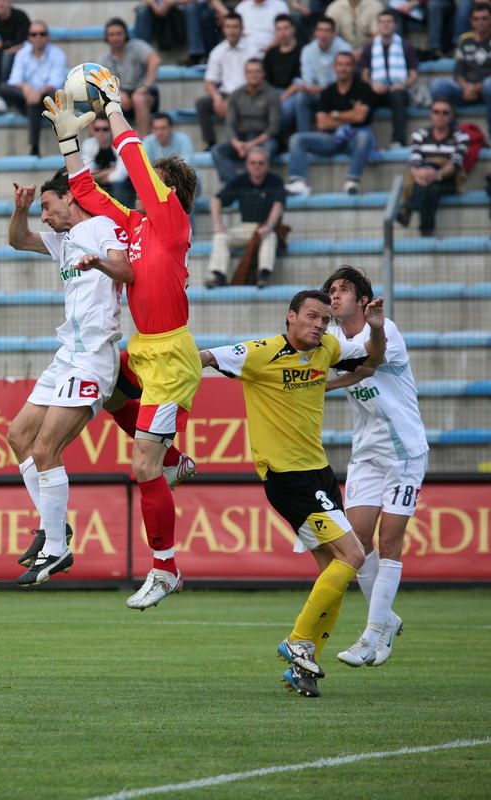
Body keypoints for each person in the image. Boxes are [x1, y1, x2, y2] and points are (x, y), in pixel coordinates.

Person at [43, 70, 202, 611]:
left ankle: (165, 568)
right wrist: (69, 141)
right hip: (141, 349)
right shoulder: (135, 225)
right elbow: (84, 190)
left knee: (141, 469)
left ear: (172, 192)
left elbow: (134, 160)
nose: (142, 184)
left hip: (172, 355)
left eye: (156, 181)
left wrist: (114, 106)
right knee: (109, 388)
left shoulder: (172, 222)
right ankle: (177, 460)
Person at [199, 288, 386, 697]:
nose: (320, 325)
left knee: (332, 572)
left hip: (318, 472)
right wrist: (164, 368)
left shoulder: (328, 348)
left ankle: (303, 666)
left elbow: (374, 361)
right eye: (312, 317)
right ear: (290, 317)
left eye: (325, 319)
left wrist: (375, 330)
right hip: (286, 477)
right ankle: (299, 641)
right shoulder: (260, 352)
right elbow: (206, 357)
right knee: (353, 555)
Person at [7, 168, 133, 586]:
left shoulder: (101, 226)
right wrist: (20, 210)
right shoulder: (62, 240)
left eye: (46, 206)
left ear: (69, 198)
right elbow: (17, 240)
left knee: (45, 450)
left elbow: (126, 270)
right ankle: (52, 527)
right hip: (67, 354)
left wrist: (100, 261)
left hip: (94, 355)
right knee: (18, 436)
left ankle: (57, 550)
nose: (43, 216)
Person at [322, 265, 428, 668]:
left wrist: (378, 328)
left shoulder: (385, 331)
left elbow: (370, 362)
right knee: (354, 544)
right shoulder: (332, 337)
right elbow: (345, 373)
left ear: (364, 301)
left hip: (404, 452)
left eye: (345, 290)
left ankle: (372, 634)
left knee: (389, 542)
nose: (335, 296)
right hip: (366, 453)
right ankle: (386, 619)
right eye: (332, 290)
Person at [285, 51, 376, 196]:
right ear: (334, 67)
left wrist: (335, 115)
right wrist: (350, 115)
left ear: (353, 67)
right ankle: (299, 182)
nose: (343, 68)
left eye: (347, 65)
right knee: (297, 139)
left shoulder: (363, 88)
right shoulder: (328, 91)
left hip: (354, 139)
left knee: (365, 137)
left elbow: (360, 117)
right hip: (330, 139)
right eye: (340, 64)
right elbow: (322, 123)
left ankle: (352, 181)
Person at [205, 147, 285, 288]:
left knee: (270, 236)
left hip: (266, 226)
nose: (257, 166)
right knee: (220, 237)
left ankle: (263, 276)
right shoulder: (240, 180)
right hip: (245, 227)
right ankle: (219, 276)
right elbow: (216, 200)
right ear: (247, 165)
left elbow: (278, 205)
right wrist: (218, 224)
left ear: (267, 165)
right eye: (253, 162)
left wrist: (269, 225)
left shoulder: (276, 181)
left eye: (261, 163)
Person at [395, 98, 470, 236]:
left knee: (431, 176)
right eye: (436, 112)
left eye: (445, 112)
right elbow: (414, 161)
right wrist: (420, 175)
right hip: (424, 179)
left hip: (448, 179)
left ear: (451, 115)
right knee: (431, 188)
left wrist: (436, 174)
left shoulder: (461, 136)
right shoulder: (420, 135)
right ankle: (426, 229)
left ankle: (408, 207)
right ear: (431, 114)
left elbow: (456, 162)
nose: (440, 116)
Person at [0, 21, 67, 156]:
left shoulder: (58, 54)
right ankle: (34, 147)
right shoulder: (22, 53)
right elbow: (14, 79)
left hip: (47, 97)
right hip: (27, 95)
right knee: (4, 87)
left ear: (48, 36)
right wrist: (26, 88)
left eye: (42, 34)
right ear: (29, 37)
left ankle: (34, 146)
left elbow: (56, 83)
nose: (38, 37)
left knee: (45, 98)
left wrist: (38, 92)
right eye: (34, 34)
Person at [211, 57, 281, 183]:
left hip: (263, 139)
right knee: (217, 150)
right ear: (245, 74)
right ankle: (233, 185)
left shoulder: (272, 95)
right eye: (250, 72)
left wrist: (252, 144)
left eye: (257, 71)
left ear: (263, 74)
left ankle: (260, 184)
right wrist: (237, 144)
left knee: (266, 150)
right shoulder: (236, 95)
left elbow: (273, 128)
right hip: (241, 139)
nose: (253, 75)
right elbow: (229, 124)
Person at [195, 11, 259, 150]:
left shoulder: (252, 50)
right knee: (202, 103)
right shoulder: (218, 51)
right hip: (225, 94)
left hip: (248, 93)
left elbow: (256, 78)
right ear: (223, 29)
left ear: (242, 29)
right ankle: (210, 143)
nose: (232, 30)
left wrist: (233, 99)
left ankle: (239, 142)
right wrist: (217, 98)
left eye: (235, 27)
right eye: (228, 27)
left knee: (234, 104)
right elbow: (210, 81)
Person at [429, 3, 491, 138]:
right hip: (466, 90)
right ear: (471, 21)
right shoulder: (464, 39)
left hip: (486, 90)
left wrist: (477, 87)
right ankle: (450, 132)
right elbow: (458, 70)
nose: (480, 22)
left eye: (484, 18)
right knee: (437, 85)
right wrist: (466, 86)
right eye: (476, 18)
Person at [359, 10, 418, 148]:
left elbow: (414, 75)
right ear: (378, 25)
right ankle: (364, 140)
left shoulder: (406, 45)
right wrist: (372, 84)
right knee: (364, 95)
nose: (385, 25)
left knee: (398, 96)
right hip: (377, 88)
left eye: (388, 22)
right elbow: (364, 75)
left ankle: (398, 140)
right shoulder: (369, 47)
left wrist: (403, 84)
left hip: (398, 89)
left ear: (395, 25)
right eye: (381, 22)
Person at [99, 17, 161, 139]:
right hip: (120, 95)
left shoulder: (137, 46)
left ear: (125, 34)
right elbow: (102, 84)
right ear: (107, 37)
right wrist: (118, 93)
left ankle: (144, 142)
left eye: (118, 34)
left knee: (138, 98)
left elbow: (155, 60)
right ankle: (107, 144)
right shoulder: (104, 59)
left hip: (144, 92)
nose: (115, 38)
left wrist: (146, 86)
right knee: (95, 104)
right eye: (112, 34)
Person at [295, 16, 351, 132]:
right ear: (315, 32)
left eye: (327, 31)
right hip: (315, 92)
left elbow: (344, 79)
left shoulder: (344, 49)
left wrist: (322, 89)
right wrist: (308, 86)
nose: (323, 34)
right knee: (300, 98)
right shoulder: (308, 50)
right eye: (320, 30)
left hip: (338, 92)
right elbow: (307, 77)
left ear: (334, 33)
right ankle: (303, 134)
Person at [262, 14, 303, 142]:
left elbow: (300, 80)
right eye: (279, 29)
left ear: (293, 29)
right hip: (274, 92)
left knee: (283, 108)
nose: (282, 32)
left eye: (286, 28)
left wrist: (282, 97)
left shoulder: (302, 50)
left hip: (293, 93)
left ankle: (279, 142)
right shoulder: (271, 53)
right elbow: (265, 79)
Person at [80, 113, 134, 208]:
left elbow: (119, 177)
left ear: (111, 130)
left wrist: (95, 175)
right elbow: (86, 175)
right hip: (102, 185)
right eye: (97, 129)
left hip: (123, 188)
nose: (101, 133)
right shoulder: (88, 144)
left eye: (105, 129)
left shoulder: (120, 144)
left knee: (118, 185)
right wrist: (109, 171)